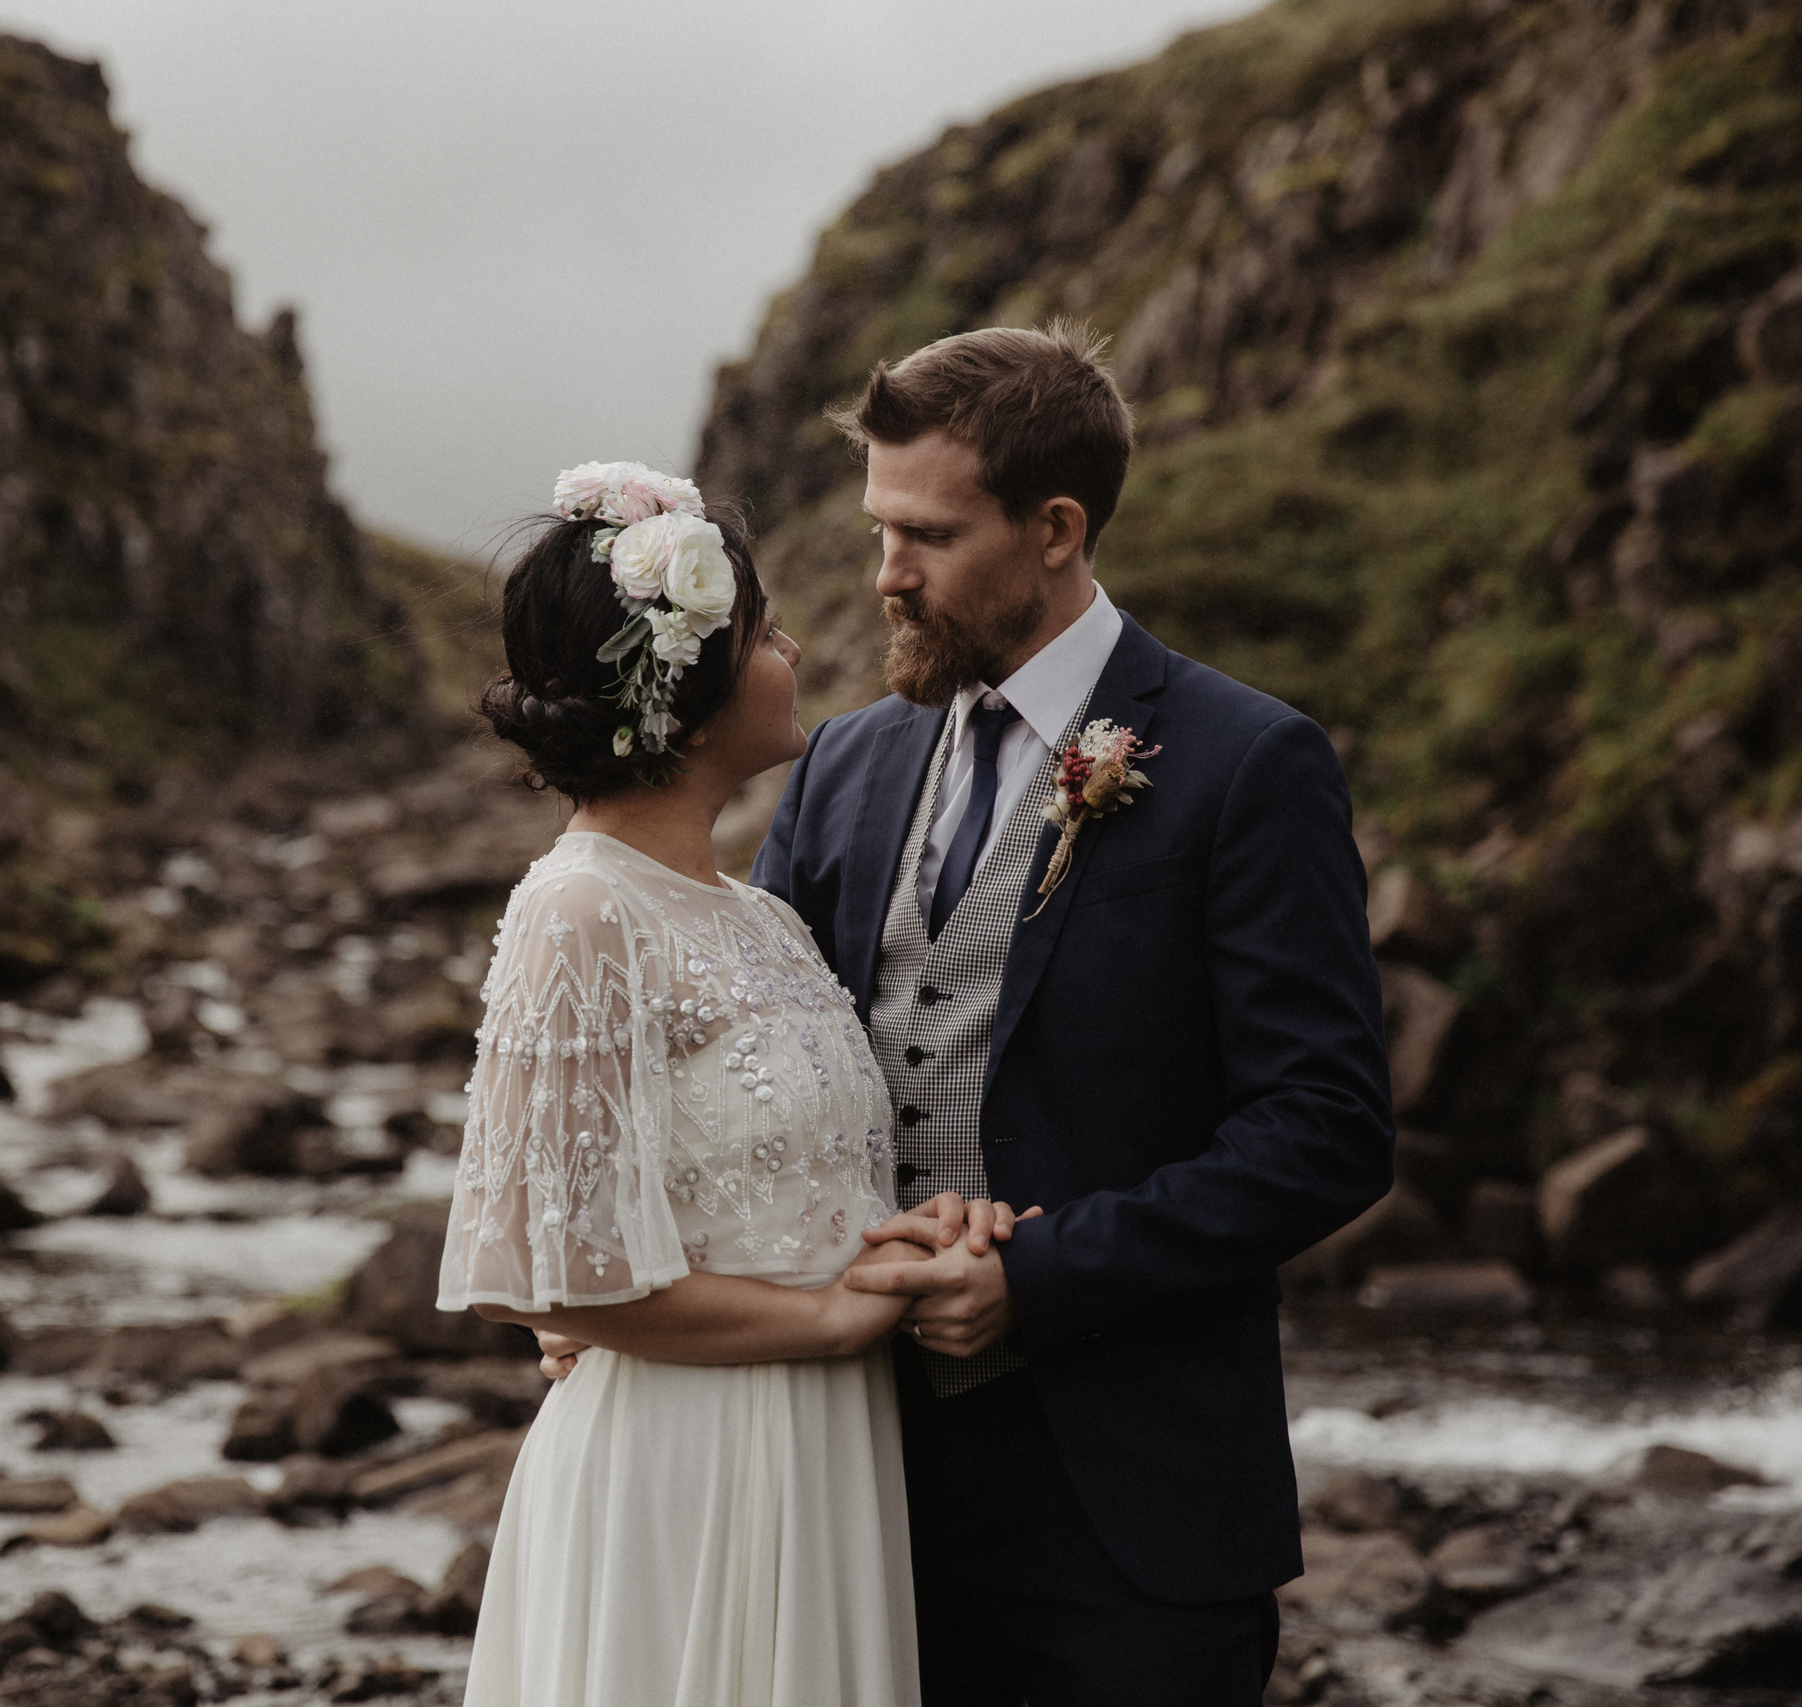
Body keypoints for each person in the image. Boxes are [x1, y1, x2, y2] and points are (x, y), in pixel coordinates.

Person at [734, 321, 1396, 1705]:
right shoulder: (841, 766)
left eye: (927, 533)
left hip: (1131, 1514)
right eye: (877, 526)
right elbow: (750, 1082)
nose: (884, 574)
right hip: (852, 1483)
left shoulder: (1245, 762)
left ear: (1055, 527)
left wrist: (1039, 1279)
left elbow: (1328, 1127)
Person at [433, 461, 1029, 1706]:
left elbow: (788, 1175)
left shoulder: (756, 915)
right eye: (761, 633)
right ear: (687, 694)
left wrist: (915, 1235)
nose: (796, 647)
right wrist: (827, 1320)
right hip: (688, 1464)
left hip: (828, 1452)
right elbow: (540, 1272)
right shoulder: (580, 907)